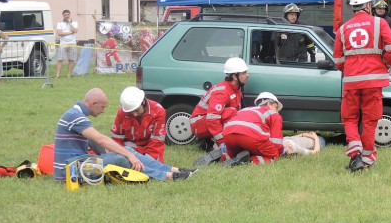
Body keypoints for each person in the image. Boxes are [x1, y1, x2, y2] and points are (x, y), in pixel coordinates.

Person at [54, 87, 194, 181]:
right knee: (123, 158)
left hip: (77, 164)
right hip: (71, 171)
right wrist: (129, 155)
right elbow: (101, 140)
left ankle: (174, 170)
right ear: (94, 103)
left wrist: (125, 153)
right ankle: (167, 176)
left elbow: (95, 142)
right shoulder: (75, 116)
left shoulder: (75, 115)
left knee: (126, 151)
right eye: (102, 107)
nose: (103, 111)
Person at [333, 0, 391, 171]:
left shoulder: (343, 29)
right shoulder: (380, 23)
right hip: (374, 81)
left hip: (351, 81)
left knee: (349, 118)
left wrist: (350, 70)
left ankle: (355, 154)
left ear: (353, 7)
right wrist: (385, 64)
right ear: (368, 5)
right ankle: (367, 158)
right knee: (370, 120)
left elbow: (338, 59)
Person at [221, 92, 325, 165]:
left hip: (228, 136)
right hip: (250, 137)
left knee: (238, 151)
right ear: (269, 103)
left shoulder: (246, 109)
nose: (277, 111)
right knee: (274, 156)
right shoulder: (273, 114)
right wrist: (282, 151)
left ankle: (225, 156)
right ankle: (249, 161)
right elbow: (276, 142)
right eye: (276, 107)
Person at [190, 56, 249, 164]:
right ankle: (218, 147)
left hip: (206, 122)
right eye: (244, 73)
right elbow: (212, 119)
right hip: (199, 124)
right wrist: (223, 141)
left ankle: (210, 143)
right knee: (232, 112)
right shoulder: (222, 92)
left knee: (238, 114)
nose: (247, 75)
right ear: (234, 76)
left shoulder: (235, 90)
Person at [110, 86, 167, 163]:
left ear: (143, 102)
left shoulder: (158, 111)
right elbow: (117, 140)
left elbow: (157, 142)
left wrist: (146, 161)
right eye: (131, 112)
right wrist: (124, 156)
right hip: (128, 151)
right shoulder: (122, 113)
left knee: (154, 167)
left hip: (150, 150)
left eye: (137, 110)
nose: (134, 114)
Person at [54, 9, 79, 79]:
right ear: (63, 15)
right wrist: (69, 32)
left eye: (68, 14)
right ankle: (57, 75)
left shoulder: (74, 22)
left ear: (70, 14)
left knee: (71, 59)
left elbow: (75, 30)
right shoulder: (60, 22)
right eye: (65, 15)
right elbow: (59, 33)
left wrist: (70, 23)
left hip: (72, 43)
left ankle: (68, 75)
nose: (67, 16)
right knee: (60, 59)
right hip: (63, 43)